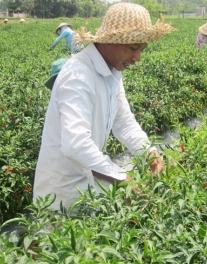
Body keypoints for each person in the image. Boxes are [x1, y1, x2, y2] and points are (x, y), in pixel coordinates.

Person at [33, 3, 175, 211]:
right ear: (110, 42)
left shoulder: (113, 73)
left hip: (90, 182)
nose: (138, 58)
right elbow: (76, 144)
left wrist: (149, 152)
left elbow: (124, 123)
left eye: (142, 49)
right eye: (134, 49)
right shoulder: (79, 76)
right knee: (63, 241)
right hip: (63, 193)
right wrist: (122, 178)